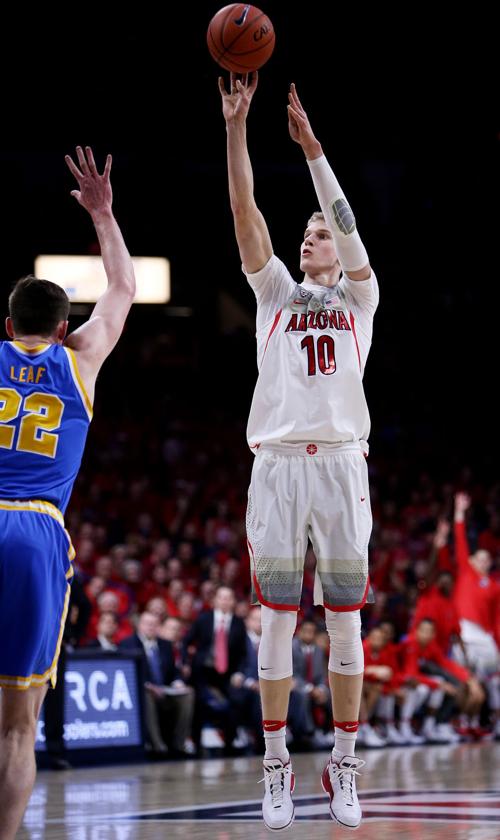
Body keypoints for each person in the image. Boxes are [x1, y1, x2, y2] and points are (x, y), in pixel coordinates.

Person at [219, 73, 379, 830]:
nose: (309, 238)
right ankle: (276, 765)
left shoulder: (359, 299)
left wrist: (315, 152)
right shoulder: (276, 294)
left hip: (344, 462)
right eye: (307, 234)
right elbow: (246, 213)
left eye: (317, 234)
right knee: (277, 621)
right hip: (279, 467)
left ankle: (344, 765)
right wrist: (237, 128)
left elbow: (349, 231)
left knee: (346, 622)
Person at [0, 146, 135, 840]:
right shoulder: (79, 360)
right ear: (60, 329)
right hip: (34, 532)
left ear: (6, 325)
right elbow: (121, 292)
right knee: (16, 728)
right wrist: (103, 215)